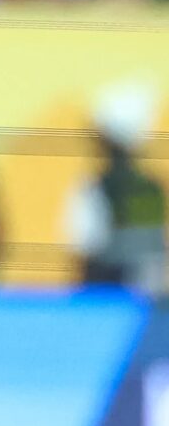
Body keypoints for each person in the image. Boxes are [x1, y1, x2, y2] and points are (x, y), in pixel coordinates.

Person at [66, 80, 165, 295]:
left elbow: (81, 242)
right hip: (149, 295)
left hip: (107, 295)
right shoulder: (152, 187)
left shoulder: (96, 186)